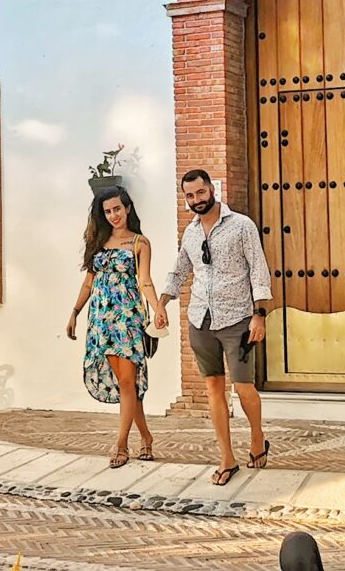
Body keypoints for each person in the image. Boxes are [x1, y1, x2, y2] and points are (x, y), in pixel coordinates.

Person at [157, 169, 273, 486]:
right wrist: (162, 302)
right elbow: (180, 269)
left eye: (200, 193)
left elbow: (259, 270)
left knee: (244, 387)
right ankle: (227, 458)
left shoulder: (241, 226)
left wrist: (259, 313)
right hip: (200, 319)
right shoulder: (191, 233)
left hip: (237, 319)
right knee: (213, 388)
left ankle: (257, 437)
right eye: (190, 196)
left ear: (212, 190)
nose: (196, 200)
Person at [67, 186, 168, 468]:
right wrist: (75, 311)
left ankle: (121, 444)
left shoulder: (139, 243)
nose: (113, 215)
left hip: (128, 319)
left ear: (128, 209)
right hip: (101, 321)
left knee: (127, 382)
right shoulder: (98, 242)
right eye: (108, 211)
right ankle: (146, 437)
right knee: (128, 385)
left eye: (117, 209)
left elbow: (144, 280)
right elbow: (89, 282)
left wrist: (157, 307)